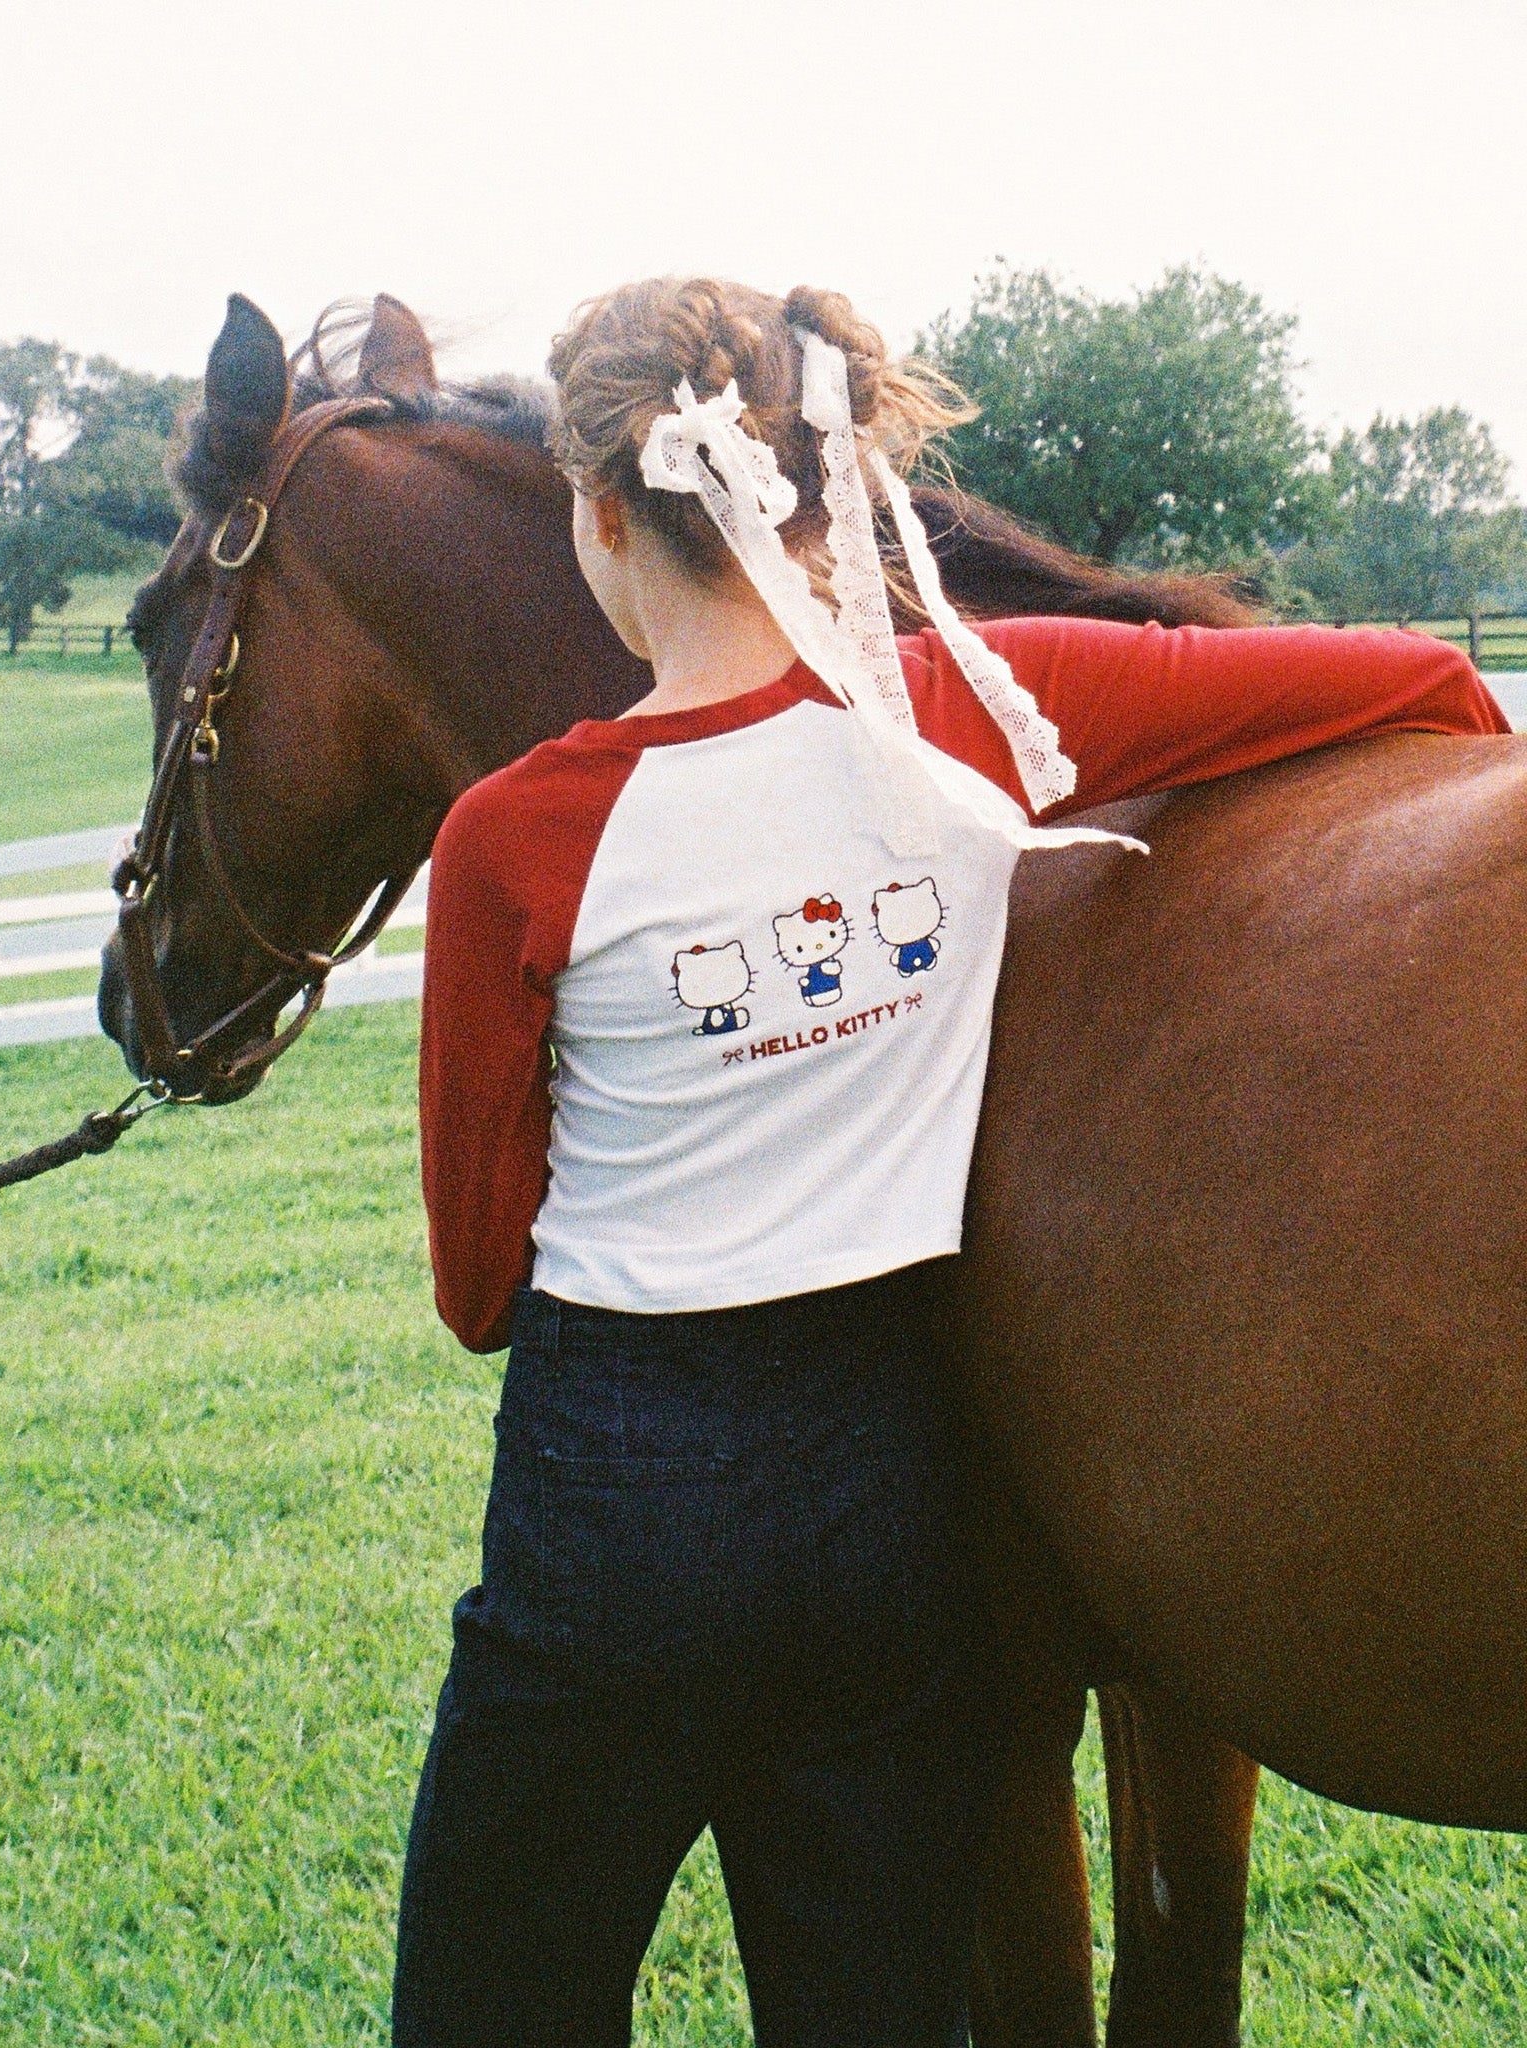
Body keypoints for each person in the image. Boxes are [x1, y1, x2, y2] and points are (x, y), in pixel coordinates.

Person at [391, 277, 1506, 2048]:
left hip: (613, 1518)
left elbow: (475, 1285)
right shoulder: (974, 713)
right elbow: (1428, 679)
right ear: (823, 489)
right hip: (883, 1502)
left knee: (492, 1996)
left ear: (598, 520)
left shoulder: (513, 838)